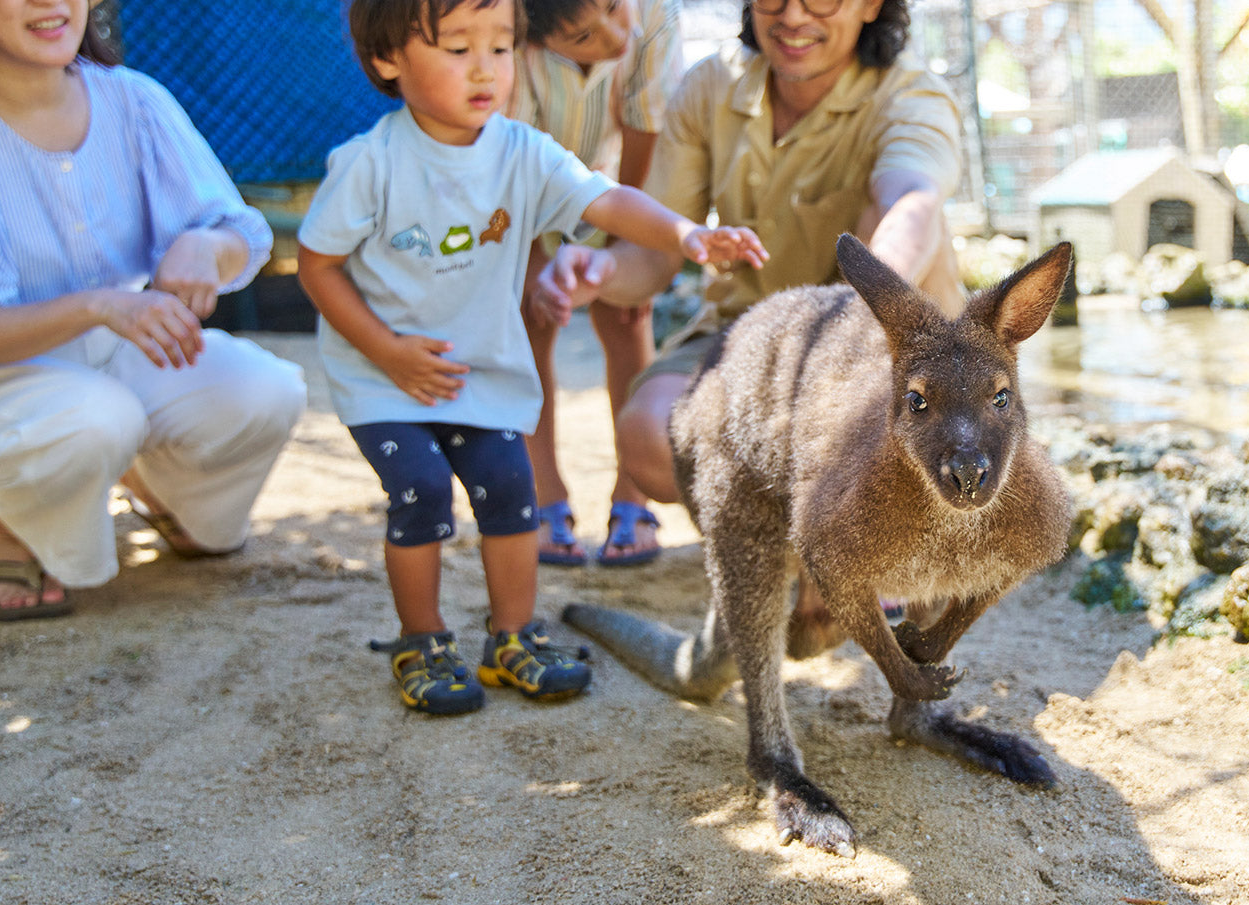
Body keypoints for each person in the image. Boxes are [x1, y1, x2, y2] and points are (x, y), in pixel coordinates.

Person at [296, 0, 766, 716]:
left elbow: (605, 200)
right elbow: (317, 265)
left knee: (509, 486)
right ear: (388, 60)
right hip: (385, 378)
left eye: (500, 48)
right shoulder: (371, 164)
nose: (485, 69)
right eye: (458, 49)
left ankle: (512, 636)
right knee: (421, 488)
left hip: (479, 374)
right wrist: (387, 352)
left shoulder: (522, 151)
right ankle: (421, 639)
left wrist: (685, 235)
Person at [0, 0, 307, 622]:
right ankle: (27, 524)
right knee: (92, 420)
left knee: (266, 390)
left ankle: (149, 489)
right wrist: (97, 306)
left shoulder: (133, 98)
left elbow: (237, 234)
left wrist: (205, 247)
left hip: (118, 354)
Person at [538, 0, 965, 512]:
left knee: (868, 402)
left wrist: (860, 310)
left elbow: (910, 203)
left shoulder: (913, 95)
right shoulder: (711, 83)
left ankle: (864, 526)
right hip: (749, 334)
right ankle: (782, 533)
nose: (793, 16)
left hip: (882, 347)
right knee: (650, 434)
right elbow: (654, 256)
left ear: (872, 5)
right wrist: (601, 271)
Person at [505, 0, 678, 567]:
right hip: (523, 189)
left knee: (626, 316)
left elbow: (645, 129)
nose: (614, 33)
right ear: (537, 38)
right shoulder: (512, 34)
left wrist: (626, 250)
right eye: (583, 36)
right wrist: (533, 260)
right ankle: (543, 492)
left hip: (620, 186)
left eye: (612, 6)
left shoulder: (653, 15)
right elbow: (513, 152)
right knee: (531, 315)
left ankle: (632, 494)